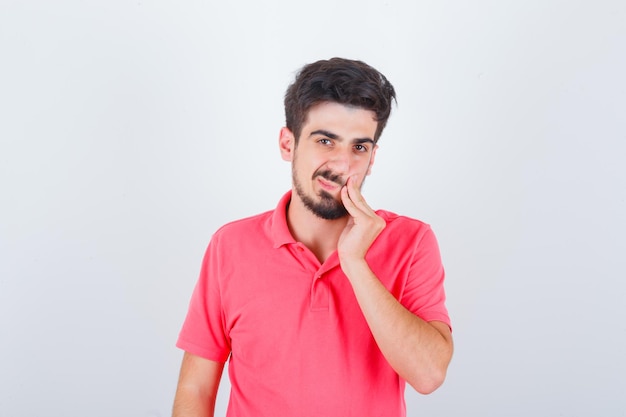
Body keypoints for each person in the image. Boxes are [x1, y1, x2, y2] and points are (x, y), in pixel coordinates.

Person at [172, 57, 453, 417]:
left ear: (373, 157)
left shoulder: (412, 241)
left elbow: (429, 375)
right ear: (288, 144)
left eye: (359, 147)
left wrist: (356, 263)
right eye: (325, 141)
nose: (342, 164)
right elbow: (195, 387)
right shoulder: (230, 246)